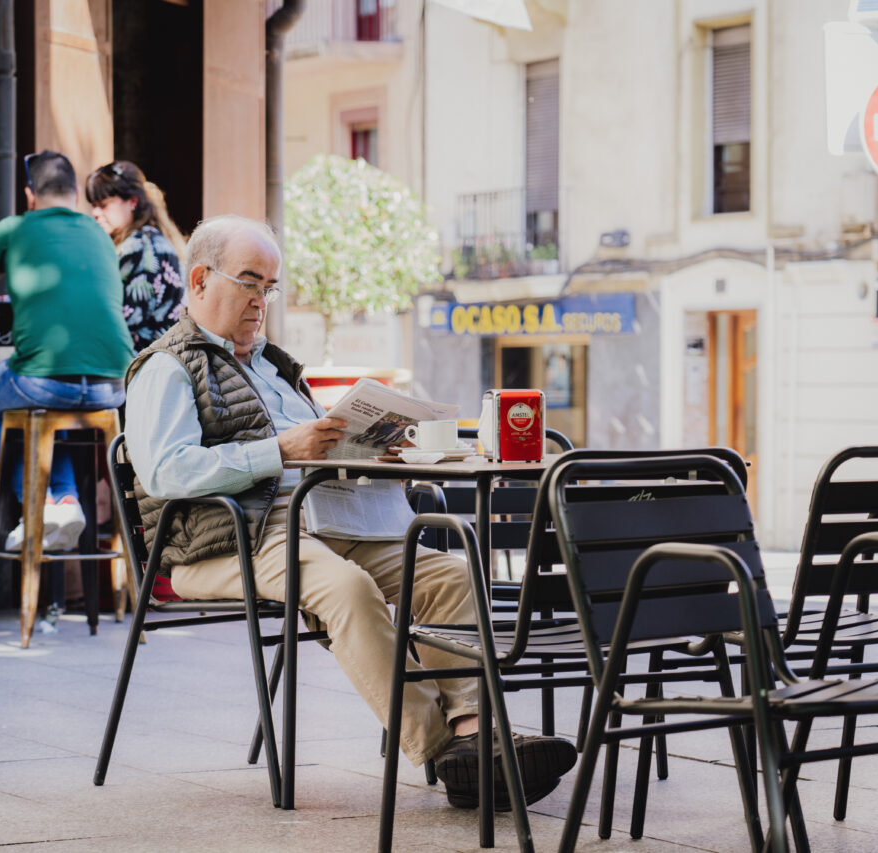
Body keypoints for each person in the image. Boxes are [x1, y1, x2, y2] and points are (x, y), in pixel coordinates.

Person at [123, 214, 576, 809]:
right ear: (202, 279)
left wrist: (364, 448)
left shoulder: (275, 368)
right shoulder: (167, 368)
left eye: (272, 287)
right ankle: (442, 749)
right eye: (252, 282)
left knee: (449, 573)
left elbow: (311, 453)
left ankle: (474, 729)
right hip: (225, 542)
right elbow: (165, 470)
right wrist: (279, 450)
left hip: (322, 524)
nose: (263, 301)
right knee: (348, 589)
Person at [0, 150, 134, 552]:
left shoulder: (12, 229)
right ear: (74, 193)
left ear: (29, 194)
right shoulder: (99, 235)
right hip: (113, 386)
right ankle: (65, 501)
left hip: (46, 382)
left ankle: (35, 506)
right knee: (53, 421)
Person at [85, 160, 188, 351]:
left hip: (142, 366)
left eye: (103, 205)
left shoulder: (140, 247)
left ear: (132, 201)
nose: (95, 212)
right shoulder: (152, 240)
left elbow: (124, 321)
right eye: (93, 205)